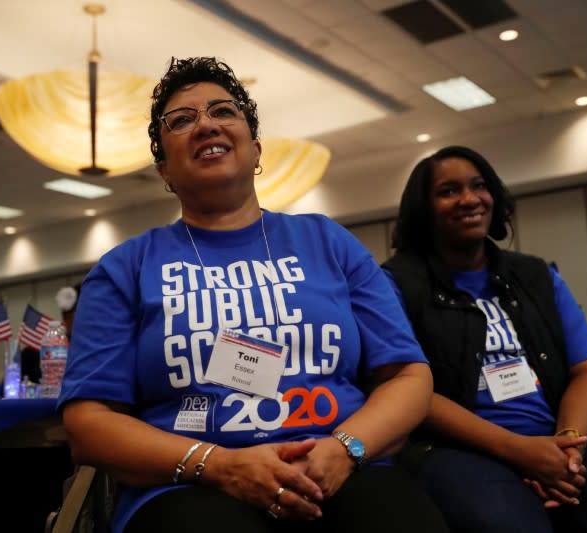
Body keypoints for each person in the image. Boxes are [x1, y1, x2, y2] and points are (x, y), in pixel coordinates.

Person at [59, 57, 447, 533]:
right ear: (163, 169)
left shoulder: (329, 243)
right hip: (189, 485)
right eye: (181, 121)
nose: (205, 125)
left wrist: (345, 447)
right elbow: (87, 423)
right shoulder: (125, 268)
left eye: (223, 111)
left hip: (340, 469)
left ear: (256, 148)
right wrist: (219, 465)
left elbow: (409, 375)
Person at [381, 146, 587, 532]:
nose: (469, 199)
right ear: (423, 208)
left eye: (479, 186)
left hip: (562, 435)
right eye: (448, 191)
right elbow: (404, 387)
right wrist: (520, 451)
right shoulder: (395, 283)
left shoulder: (537, 276)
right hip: (458, 449)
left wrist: (568, 445)